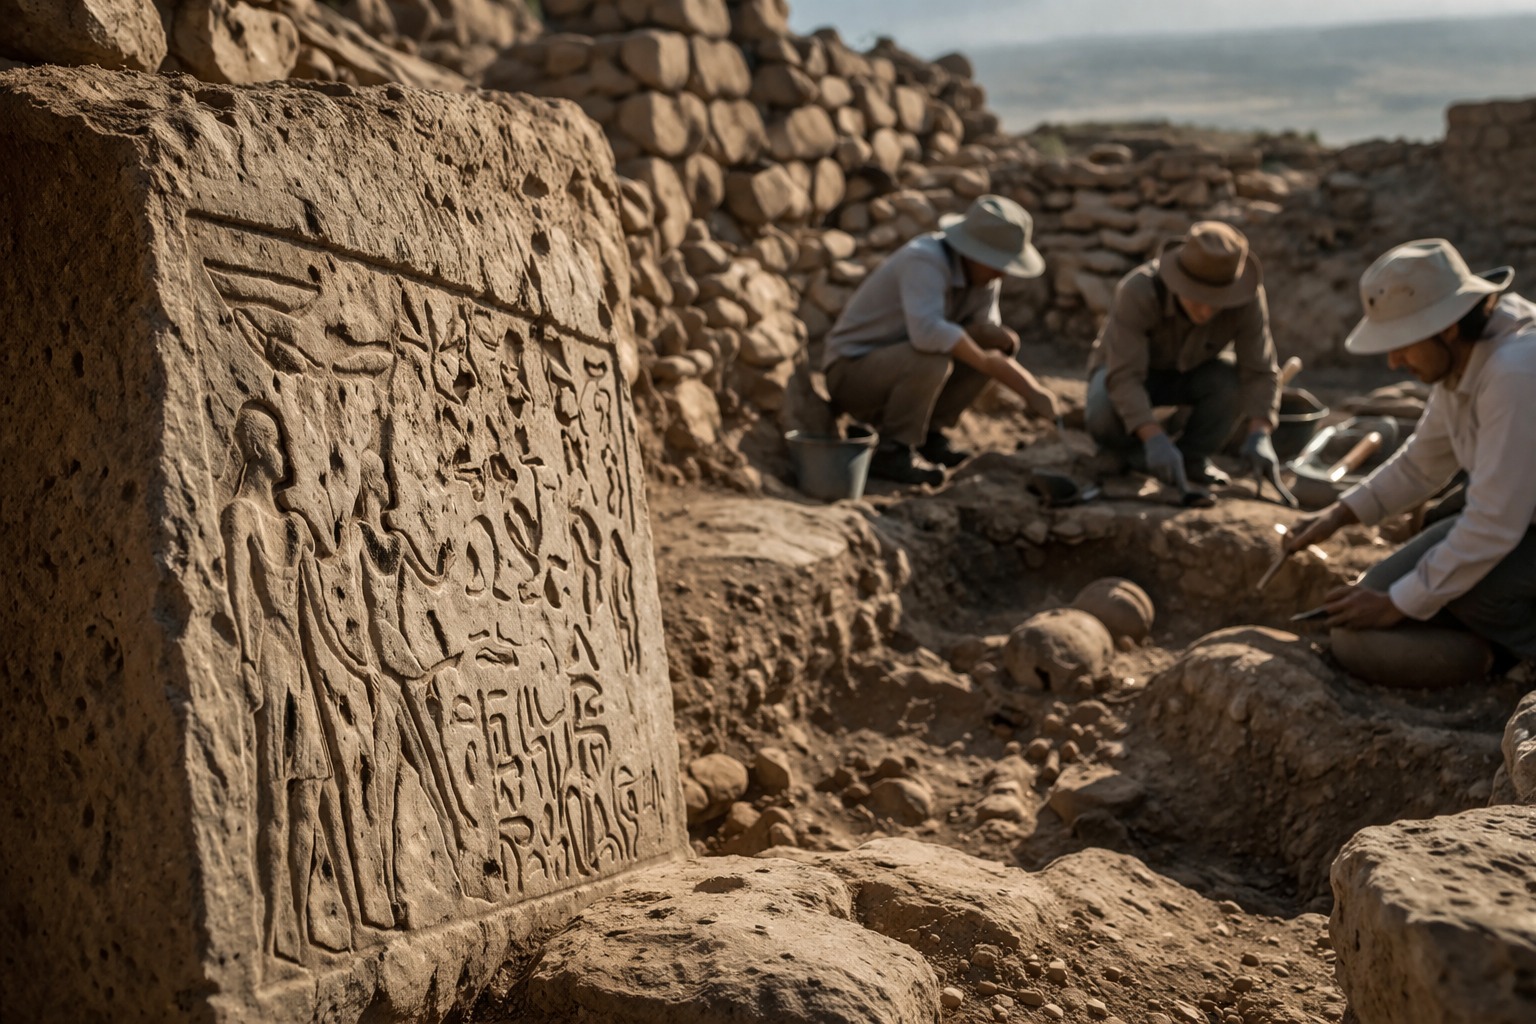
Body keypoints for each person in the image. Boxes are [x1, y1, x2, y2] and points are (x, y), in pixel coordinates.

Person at [1285, 238, 1536, 665]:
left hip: (1518, 520)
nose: (1394, 361)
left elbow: (1494, 523)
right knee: (1396, 583)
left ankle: (1511, 661)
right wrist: (1336, 517)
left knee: (1471, 597)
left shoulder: (1515, 372)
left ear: (1448, 327)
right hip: (1520, 513)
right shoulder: (1459, 359)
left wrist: (1396, 605)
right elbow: (1422, 463)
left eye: (1402, 343)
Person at [821, 194, 1060, 486]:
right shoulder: (924, 259)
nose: (1002, 273)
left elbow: (984, 333)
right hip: (852, 373)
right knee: (932, 358)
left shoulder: (984, 278)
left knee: (995, 339)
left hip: (903, 366)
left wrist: (1030, 388)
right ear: (973, 252)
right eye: (997, 262)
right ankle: (893, 449)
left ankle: (929, 435)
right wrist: (999, 371)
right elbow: (928, 333)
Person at [1085, 221, 1282, 496]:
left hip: (1191, 374)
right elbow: (1124, 377)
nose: (1205, 310)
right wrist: (1154, 438)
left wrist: (1260, 433)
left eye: (1217, 300)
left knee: (1228, 381)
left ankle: (1192, 458)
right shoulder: (1138, 290)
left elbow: (1259, 370)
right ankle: (1129, 453)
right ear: (1177, 281)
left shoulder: (1247, 299)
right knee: (1102, 406)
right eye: (1197, 297)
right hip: (1130, 375)